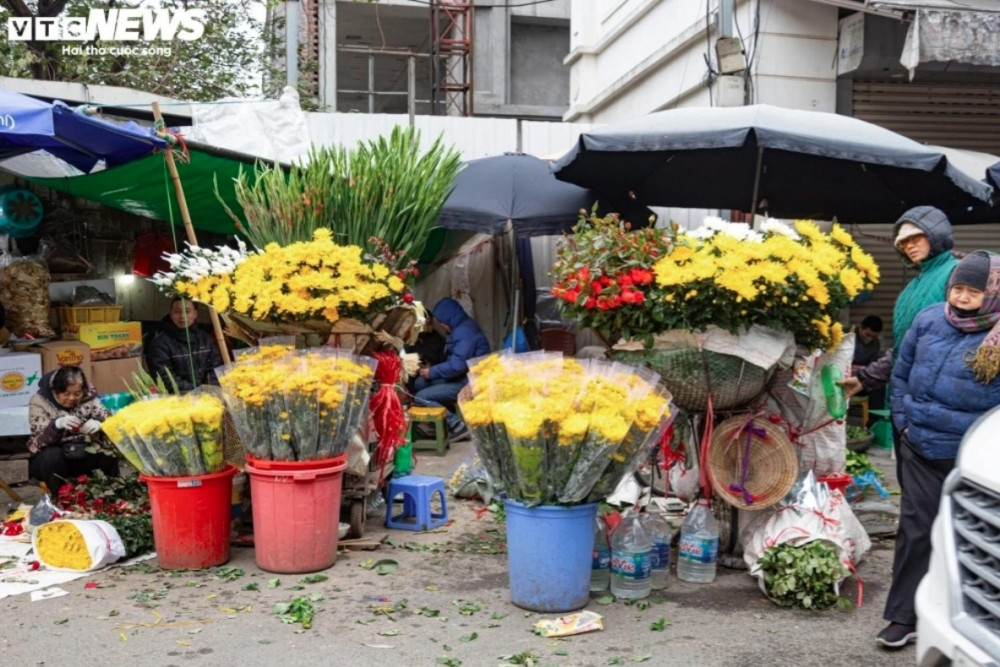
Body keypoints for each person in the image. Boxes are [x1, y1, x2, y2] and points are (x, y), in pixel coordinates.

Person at [877, 251, 1000, 650]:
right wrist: (904, 421)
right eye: (958, 289)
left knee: (973, 538)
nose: (962, 298)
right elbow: (901, 370)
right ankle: (902, 616)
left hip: (972, 458)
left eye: (973, 292)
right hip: (920, 446)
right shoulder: (930, 318)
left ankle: (970, 620)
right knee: (915, 530)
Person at [843, 206, 959, 398]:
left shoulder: (957, 273)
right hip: (909, 392)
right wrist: (866, 379)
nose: (910, 246)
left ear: (935, 235)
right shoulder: (913, 286)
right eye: (904, 242)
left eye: (916, 238)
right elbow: (903, 347)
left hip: (940, 394)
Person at [27, 366, 119, 495]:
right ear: (56, 391)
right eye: (66, 394)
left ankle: (114, 490)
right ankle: (60, 497)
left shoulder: (89, 396)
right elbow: (38, 441)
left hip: (84, 451)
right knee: (51, 455)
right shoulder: (40, 401)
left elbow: (111, 420)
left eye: (77, 394)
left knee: (109, 447)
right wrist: (56, 425)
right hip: (56, 459)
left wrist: (100, 423)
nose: (72, 398)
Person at [413, 297, 490, 443]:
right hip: (462, 377)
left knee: (421, 396)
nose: (441, 326)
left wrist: (432, 372)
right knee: (419, 383)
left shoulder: (465, 333)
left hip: (469, 383)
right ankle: (442, 422)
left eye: (442, 322)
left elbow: (456, 366)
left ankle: (456, 425)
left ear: (450, 318)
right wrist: (431, 371)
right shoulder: (461, 328)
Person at [146, 298, 223, 392]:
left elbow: (216, 368)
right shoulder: (160, 343)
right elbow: (165, 377)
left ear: (195, 314)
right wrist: (195, 392)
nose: (182, 316)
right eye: (177, 312)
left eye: (187, 311)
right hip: (177, 397)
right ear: (171, 314)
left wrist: (209, 390)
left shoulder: (206, 339)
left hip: (208, 397)